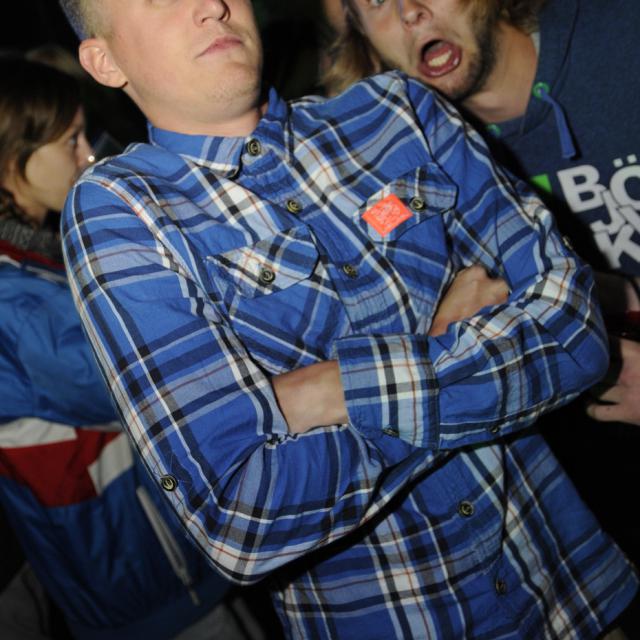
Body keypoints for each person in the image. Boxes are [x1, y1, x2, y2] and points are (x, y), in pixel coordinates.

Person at [58, 0, 637, 638]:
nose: (211, 5)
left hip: (578, 595)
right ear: (104, 62)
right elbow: (240, 516)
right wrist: (438, 343)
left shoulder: (397, 111)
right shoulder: (125, 209)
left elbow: (577, 331)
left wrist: (330, 389)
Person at [322, 0, 640, 618]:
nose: (410, 12)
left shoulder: (621, 37)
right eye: (376, 2)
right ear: (363, 40)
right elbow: (360, 257)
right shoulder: (407, 166)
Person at [0, 54, 252, 640]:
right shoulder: (13, 302)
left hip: (161, 561)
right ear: (12, 161)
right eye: (70, 141)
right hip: (143, 578)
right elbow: (138, 381)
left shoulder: (36, 257)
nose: (87, 155)